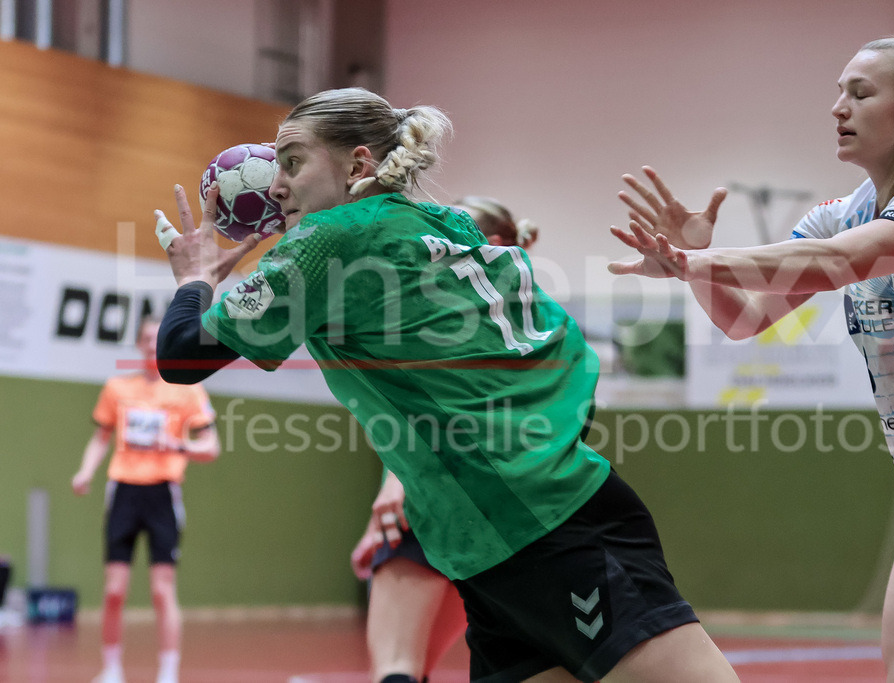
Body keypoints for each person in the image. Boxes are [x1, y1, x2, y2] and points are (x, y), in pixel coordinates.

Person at [153, 86, 738, 682]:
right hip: (486, 547)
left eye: (292, 161)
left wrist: (195, 279)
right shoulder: (446, 224)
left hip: (549, 527)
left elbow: (180, 357)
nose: (276, 185)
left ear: (358, 165)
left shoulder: (334, 239)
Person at [611, 36, 894, 682]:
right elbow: (744, 318)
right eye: (838, 91)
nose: (838, 107)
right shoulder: (845, 213)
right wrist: (696, 263)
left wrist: (691, 262)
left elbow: (838, 266)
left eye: (860, 93)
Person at [348, 196, 541, 683]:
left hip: (440, 497)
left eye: (445, 233)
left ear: (492, 245)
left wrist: (395, 484)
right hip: (515, 518)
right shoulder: (531, 319)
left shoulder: (444, 316)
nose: (428, 244)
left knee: (396, 669)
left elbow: (435, 416)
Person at [72, 316, 220, 683]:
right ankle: (111, 669)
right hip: (124, 490)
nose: (153, 346)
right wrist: (86, 471)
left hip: (162, 494)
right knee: (113, 591)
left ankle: (168, 672)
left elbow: (212, 446)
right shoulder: (117, 389)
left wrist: (178, 445)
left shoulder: (189, 391)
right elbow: (101, 437)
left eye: (159, 340)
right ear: (139, 345)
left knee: (161, 590)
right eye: (147, 340)